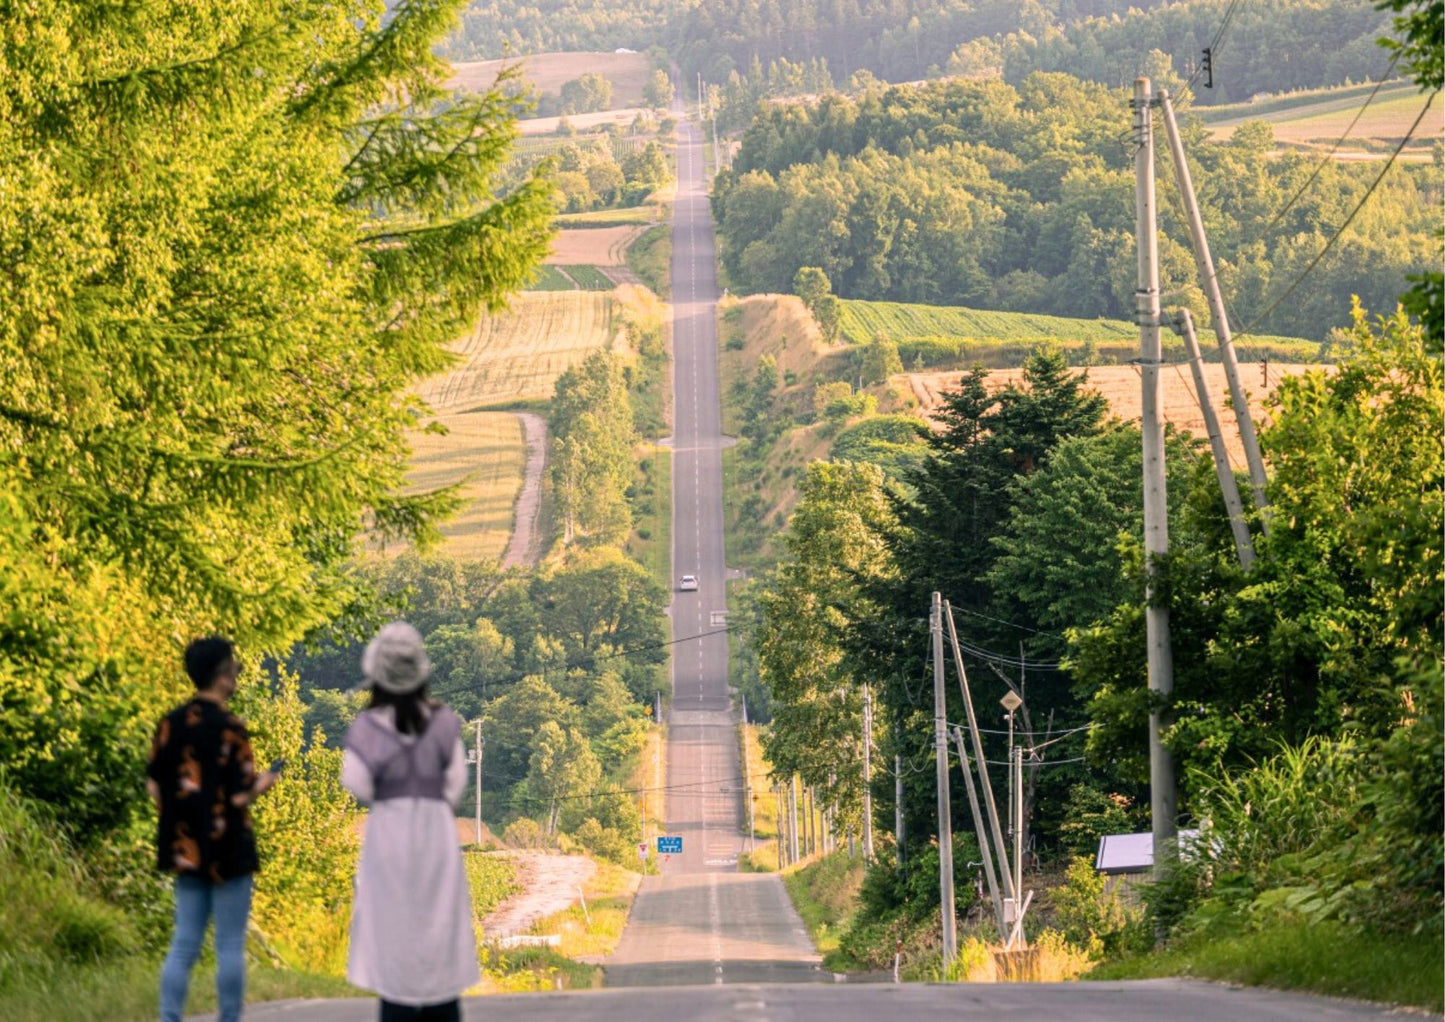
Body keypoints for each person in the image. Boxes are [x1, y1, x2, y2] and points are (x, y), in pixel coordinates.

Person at [342, 621, 479, 1021]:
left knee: (393, 923)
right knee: (438, 921)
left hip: (389, 827)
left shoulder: (368, 726)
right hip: (435, 828)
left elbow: (356, 781)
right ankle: (442, 1005)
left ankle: (397, 1004)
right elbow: (455, 781)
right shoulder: (442, 721)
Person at [147, 635, 280, 1022]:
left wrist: (177, 817)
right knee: (229, 944)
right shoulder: (231, 729)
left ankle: (169, 1016)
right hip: (230, 845)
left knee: (185, 941)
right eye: (235, 666)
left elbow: (154, 783)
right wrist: (265, 782)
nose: (238, 672)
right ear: (222, 675)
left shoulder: (170, 724)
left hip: (185, 845)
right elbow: (239, 797)